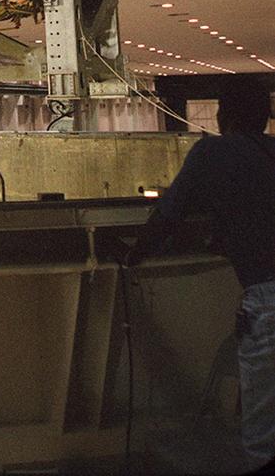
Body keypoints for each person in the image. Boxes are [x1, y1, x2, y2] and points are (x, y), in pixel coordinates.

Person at [128, 77, 275, 473]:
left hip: (266, 297)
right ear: (266, 117)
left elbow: (168, 216)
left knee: (262, 437)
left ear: (222, 117)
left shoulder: (212, 153)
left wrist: (133, 257)